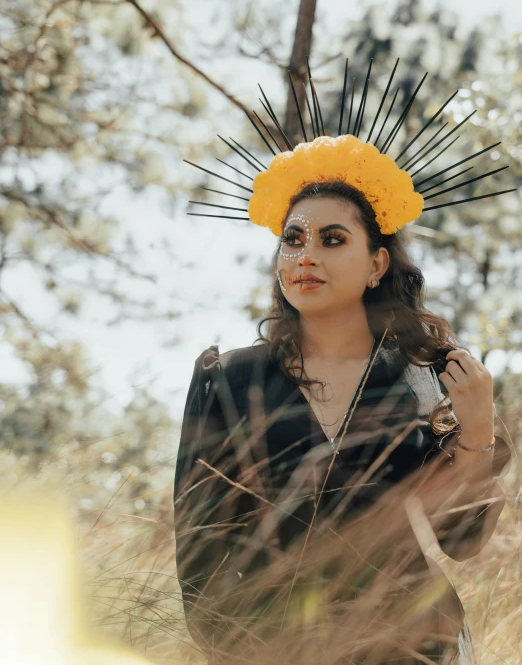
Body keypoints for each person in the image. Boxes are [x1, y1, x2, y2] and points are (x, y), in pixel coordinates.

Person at [174, 61, 514, 665]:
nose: (307, 254)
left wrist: (479, 429)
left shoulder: (427, 377)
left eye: (333, 239)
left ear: (377, 264)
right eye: (294, 238)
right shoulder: (227, 381)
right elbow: (201, 562)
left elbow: (461, 541)